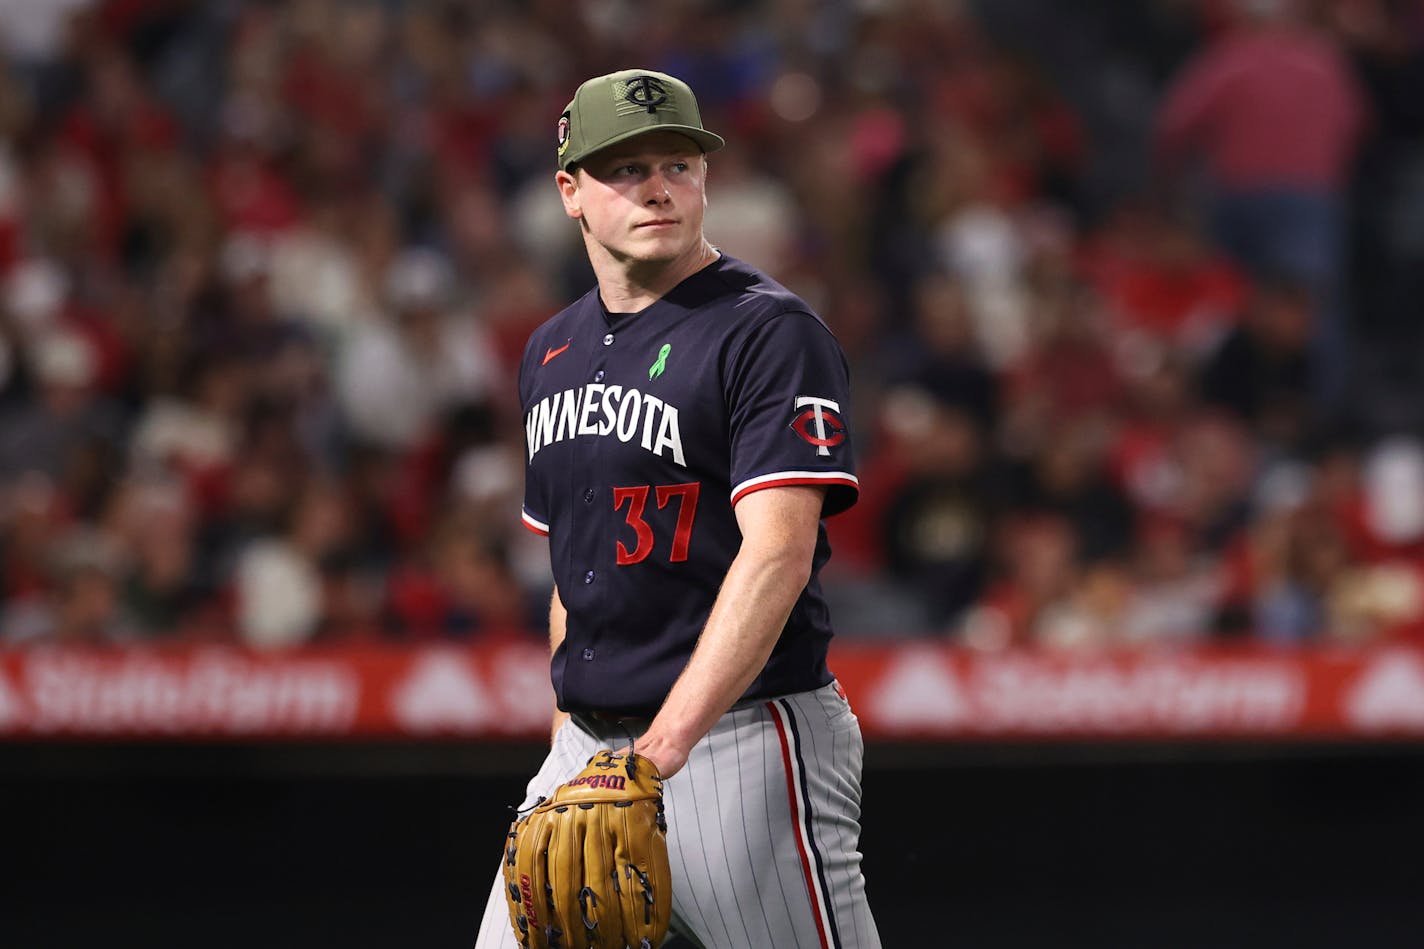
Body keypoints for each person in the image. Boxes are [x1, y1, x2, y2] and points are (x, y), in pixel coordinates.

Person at [473, 69, 882, 949]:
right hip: (589, 750)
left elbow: (778, 554)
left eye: (678, 163)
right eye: (625, 168)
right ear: (570, 192)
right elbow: (569, 576)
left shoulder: (768, 331)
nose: (658, 186)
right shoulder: (550, 349)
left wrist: (659, 750)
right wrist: (567, 749)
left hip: (742, 740)